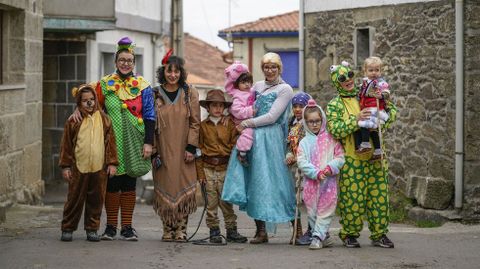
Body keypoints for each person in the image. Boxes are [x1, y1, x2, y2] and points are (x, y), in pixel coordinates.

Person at [70, 37, 155, 241]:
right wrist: (77, 110)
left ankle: (127, 227)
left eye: (129, 60)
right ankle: (110, 228)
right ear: (116, 62)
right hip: (110, 142)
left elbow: (150, 115)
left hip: (135, 140)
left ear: (134, 63)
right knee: (111, 182)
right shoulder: (104, 84)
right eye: (122, 60)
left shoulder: (143, 85)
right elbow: (88, 102)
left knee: (129, 183)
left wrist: (148, 142)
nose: (125, 63)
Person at [222, 52, 295, 244]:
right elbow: (240, 99)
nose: (270, 71)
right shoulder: (257, 86)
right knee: (256, 183)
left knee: (278, 183)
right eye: (266, 67)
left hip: (271, 138)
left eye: (274, 67)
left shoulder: (285, 89)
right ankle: (260, 231)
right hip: (254, 139)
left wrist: (246, 123)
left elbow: (272, 116)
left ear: (280, 68)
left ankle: (297, 228)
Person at [326, 60, 397, 248]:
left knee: (379, 197)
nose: (348, 80)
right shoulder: (334, 105)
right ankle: (349, 234)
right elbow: (334, 130)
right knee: (353, 199)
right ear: (336, 82)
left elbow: (391, 111)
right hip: (352, 159)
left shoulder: (367, 92)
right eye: (342, 78)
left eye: (350, 75)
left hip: (377, 157)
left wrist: (384, 119)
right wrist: (355, 120)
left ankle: (379, 234)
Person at [59, 84, 118, 242]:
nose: (89, 103)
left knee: (96, 200)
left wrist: (112, 163)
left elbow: (110, 143)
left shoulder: (105, 120)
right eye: (85, 101)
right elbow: (67, 145)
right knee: (74, 199)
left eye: (92, 99)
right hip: (79, 168)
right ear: (79, 102)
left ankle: (92, 229)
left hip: (99, 169)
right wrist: (65, 166)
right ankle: (68, 227)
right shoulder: (73, 121)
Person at [152, 53, 200, 242]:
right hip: (162, 149)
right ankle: (167, 228)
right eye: (169, 71)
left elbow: (196, 123)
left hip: (184, 150)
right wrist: (153, 149)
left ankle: (181, 229)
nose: (173, 75)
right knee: (164, 185)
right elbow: (149, 123)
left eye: (176, 71)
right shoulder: (154, 93)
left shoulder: (190, 93)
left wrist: (191, 147)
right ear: (163, 72)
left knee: (182, 185)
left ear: (181, 73)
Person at [196, 89, 248, 244]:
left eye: (220, 106)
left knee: (226, 201)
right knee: (211, 202)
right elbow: (198, 150)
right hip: (208, 167)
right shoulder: (202, 126)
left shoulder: (229, 124)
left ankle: (231, 230)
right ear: (208, 108)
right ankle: (214, 232)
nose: (217, 109)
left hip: (225, 167)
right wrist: (200, 175)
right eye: (214, 106)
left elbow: (235, 144)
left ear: (224, 107)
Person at [297, 99, 345, 250]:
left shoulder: (331, 139)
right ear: (306, 122)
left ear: (322, 119)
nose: (314, 124)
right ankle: (322, 235)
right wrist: (315, 173)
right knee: (312, 212)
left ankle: (317, 237)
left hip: (328, 184)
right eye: (310, 122)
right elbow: (301, 161)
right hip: (311, 184)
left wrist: (331, 168)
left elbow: (340, 157)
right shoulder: (304, 142)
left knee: (326, 210)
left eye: (317, 120)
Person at [285, 91, 310, 245]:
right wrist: (289, 154)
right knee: (293, 200)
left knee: (309, 199)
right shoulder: (291, 122)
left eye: (301, 106)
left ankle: (315, 230)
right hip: (294, 167)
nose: (298, 109)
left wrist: (299, 156)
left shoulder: (310, 122)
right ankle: (297, 230)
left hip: (307, 166)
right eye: (295, 106)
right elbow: (289, 143)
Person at [355, 56, 391, 160]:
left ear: (380, 71)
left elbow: (386, 91)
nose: (374, 73)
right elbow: (361, 93)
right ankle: (378, 150)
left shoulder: (380, 82)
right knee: (373, 130)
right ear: (365, 71)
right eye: (371, 70)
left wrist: (381, 95)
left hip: (375, 108)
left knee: (363, 123)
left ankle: (365, 143)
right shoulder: (364, 83)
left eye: (377, 70)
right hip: (368, 107)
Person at [224, 61, 255, 166]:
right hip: (240, 122)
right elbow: (237, 111)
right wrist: (251, 110)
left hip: (249, 120)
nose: (247, 84)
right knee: (248, 133)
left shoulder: (251, 92)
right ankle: (242, 152)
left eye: (249, 82)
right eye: (243, 82)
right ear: (237, 84)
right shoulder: (238, 95)